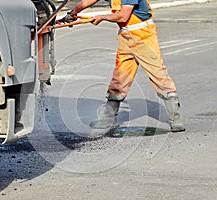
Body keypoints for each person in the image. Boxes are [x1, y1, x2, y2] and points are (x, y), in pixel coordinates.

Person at [62, 0, 186, 132]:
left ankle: (175, 119)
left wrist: (102, 17)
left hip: (143, 36)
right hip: (126, 36)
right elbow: (89, 0)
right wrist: (74, 12)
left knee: (158, 75)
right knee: (119, 78)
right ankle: (108, 119)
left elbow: (123, 16)